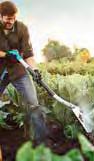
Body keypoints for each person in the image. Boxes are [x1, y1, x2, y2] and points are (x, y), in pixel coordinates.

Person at [0, 1, 47, 145]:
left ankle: (42, 142)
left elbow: (29, 54)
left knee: (34, 103)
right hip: (1, 69)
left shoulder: (22, 29)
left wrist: (35, 70)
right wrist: (6, 55)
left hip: (18, 71)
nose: (11, 21)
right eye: (8, 19)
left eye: (13, 18)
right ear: (1, 16)